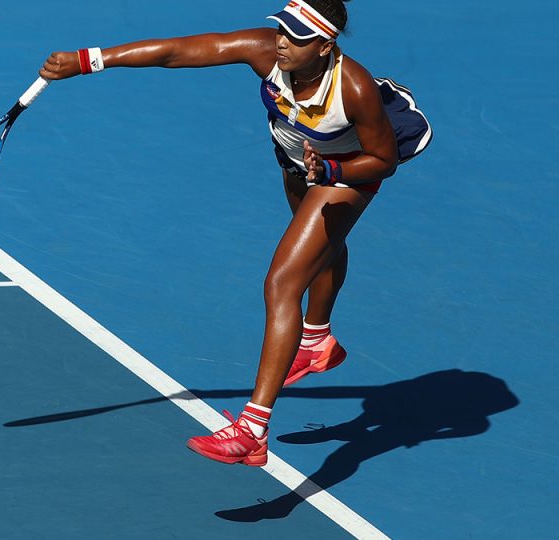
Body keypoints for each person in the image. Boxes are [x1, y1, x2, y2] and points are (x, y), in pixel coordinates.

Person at [39, 0, 432, 467]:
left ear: (325, 47)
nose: (282, 42)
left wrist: (331, 171)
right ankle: (317, 340)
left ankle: (252, 430)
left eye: (296, 37)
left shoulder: (354, 88)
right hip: (297, 158)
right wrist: (90, 60)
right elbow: (178, 51)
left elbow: (383, 160)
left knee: (283, 283)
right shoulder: (266, 51)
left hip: (345, 169)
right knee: (322, 244)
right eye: (281, 30)